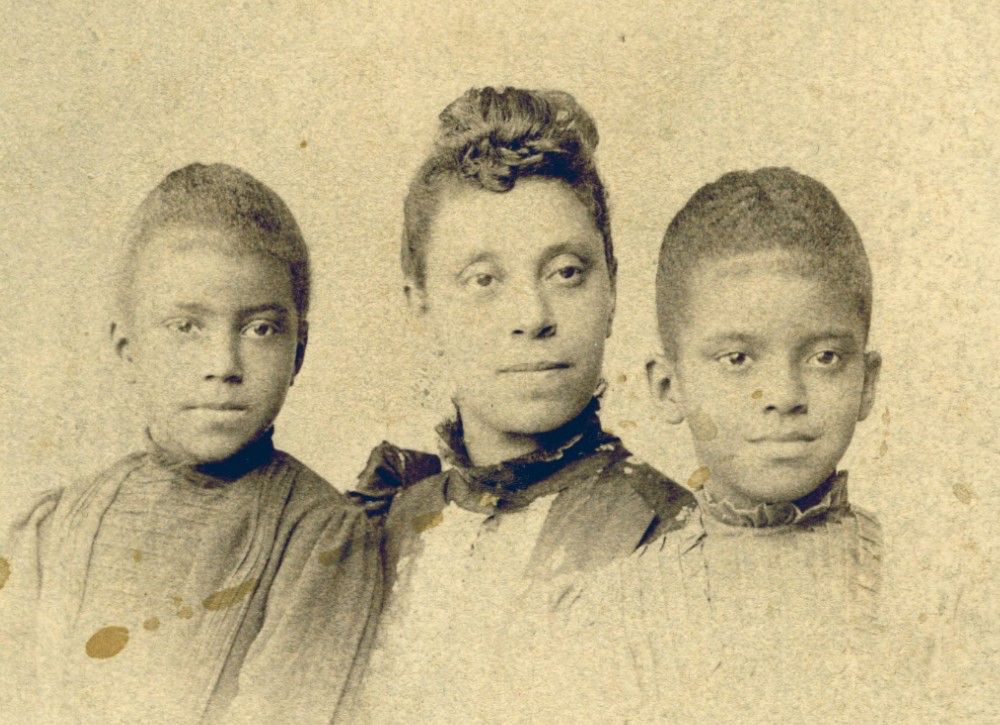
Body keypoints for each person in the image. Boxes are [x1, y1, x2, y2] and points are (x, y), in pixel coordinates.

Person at [349, 86, 694, 722]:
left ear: (612, 287)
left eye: (566, 273)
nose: (532, 317)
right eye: (483, 280)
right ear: (420, 305)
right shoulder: (379, 526)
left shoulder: (672, 533)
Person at [0, 163, 379, 724]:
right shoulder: (50, 530)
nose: (222, 366)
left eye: (260, 329)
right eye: (186, 327)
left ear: (298, 351)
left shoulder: (321, 539)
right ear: (127, 347)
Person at [548, 167, 887, 721]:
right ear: (668, 385)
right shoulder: (607, 617)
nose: (783, 395)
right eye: (738, 359)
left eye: (824, 356)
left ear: (867, 383)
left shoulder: (935, 592)